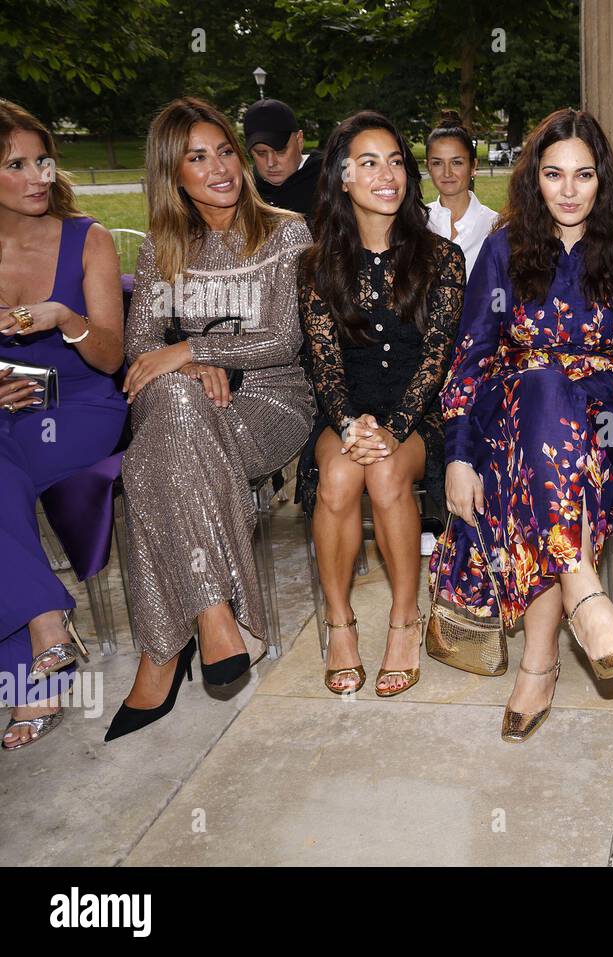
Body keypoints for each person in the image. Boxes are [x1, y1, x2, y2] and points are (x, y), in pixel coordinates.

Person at [435, 108, 613, 743]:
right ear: (534, 179)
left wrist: (569, 387)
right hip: (509, 421)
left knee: (547, 407)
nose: (568, 190)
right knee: (536, 406)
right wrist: (458, 455)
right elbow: (471, 359)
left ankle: (540, 666)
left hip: (608, 431)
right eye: (553, 174)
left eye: (584, 175)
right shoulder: (504, 248)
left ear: (604, 180)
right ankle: (581, 596)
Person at [105, 97, 314, 741]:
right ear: (174, 174)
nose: (221, 167)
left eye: (225, 149)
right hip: (191, 405)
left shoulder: (286, 230)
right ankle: (214, 613)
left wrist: (193, 349)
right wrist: (187, 370)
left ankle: (162, 654)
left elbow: (285, 338)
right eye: (198, 157)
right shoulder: (164, 250)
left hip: (274, 401)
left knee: (152, 463)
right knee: (171, 413)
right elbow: (138, 351)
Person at [297, 111, 465, 697]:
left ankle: (404, 619)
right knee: (339, 479)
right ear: (342, 178)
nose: (387, 174)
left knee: (388, 475)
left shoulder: (442, 259)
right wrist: (349, 424)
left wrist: (393, 427)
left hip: (418, 413)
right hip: (343, 410)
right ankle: (339, 622)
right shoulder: (317, 264)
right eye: (368, 163)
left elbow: (438, 355)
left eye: (395, 161)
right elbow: (323, 364)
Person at [0, 100, 126, 749]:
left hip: (78, 407)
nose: (37, 175)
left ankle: (30, 661)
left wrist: (63, 318)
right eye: (15, 164)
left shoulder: (89, 237)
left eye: (41, 159)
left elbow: (110, 355)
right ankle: (45, 628)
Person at [425, 110, 498, 278]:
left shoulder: (496, 227)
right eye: (437, 163)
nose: (447, 173)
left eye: (456, 162)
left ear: (473, 166)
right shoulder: (418, 222)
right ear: (428, 166)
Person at [244, 98, 324, 221]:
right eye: (261, 153)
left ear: (299, 140)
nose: (271, 163)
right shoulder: (244, 188)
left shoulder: (329, 178)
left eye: (280, 151)